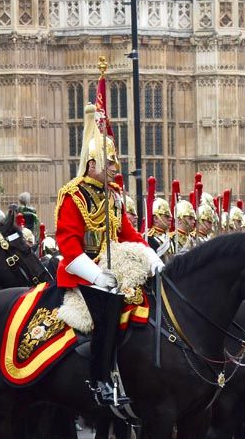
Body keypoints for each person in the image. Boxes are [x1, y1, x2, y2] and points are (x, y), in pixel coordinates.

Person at [54, 102, 164, 408]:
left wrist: (152, 258)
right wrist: (96, 275)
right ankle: (100, 379)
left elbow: (128, 234)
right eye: (110, 163)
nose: (116, 169)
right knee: (108, 309)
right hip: (82, 275)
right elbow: (69, 245)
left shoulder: (114, 197)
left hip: (114, 272)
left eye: (115, 163)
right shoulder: (73, 195)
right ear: (91, 165)